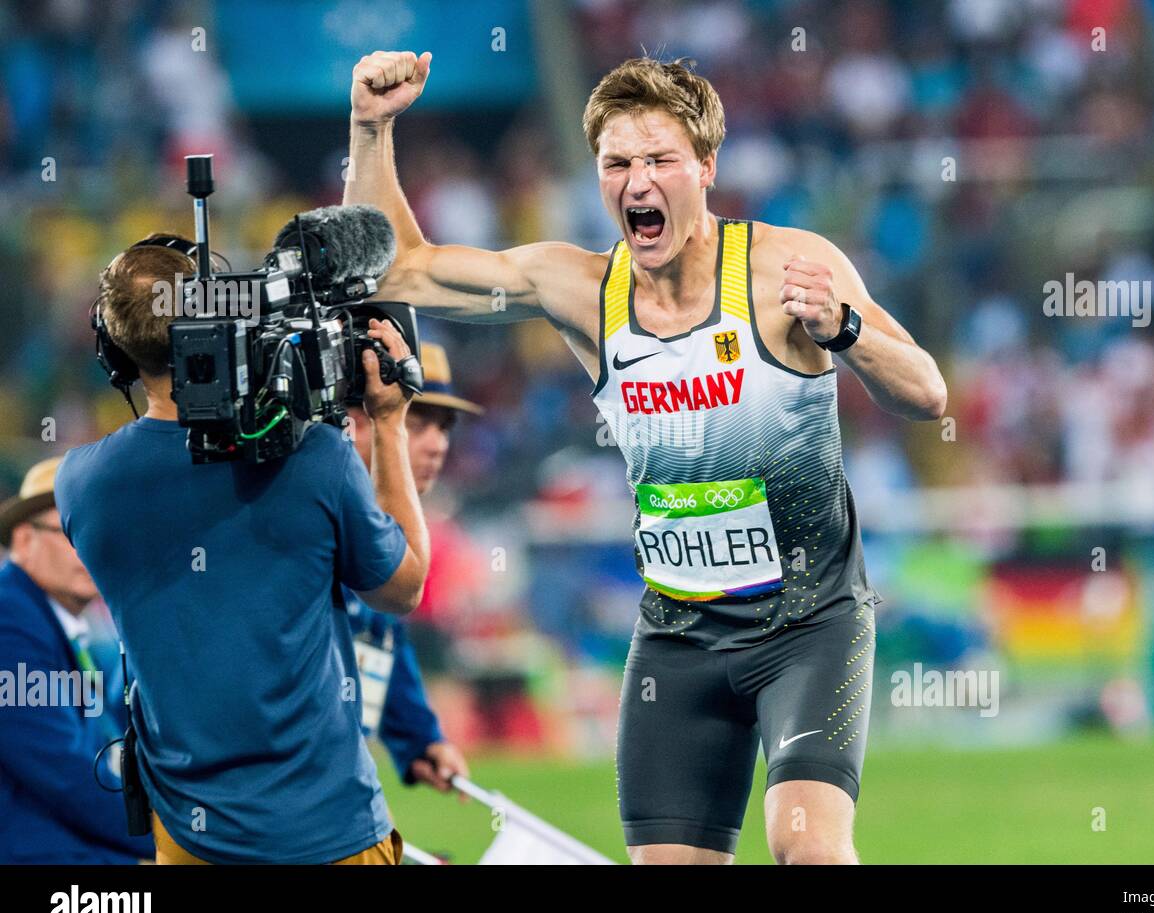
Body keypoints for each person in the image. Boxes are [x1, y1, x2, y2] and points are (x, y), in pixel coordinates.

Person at [345, 52, 947, 864]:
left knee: (806, 848)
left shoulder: (783, 269)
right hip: (680, 637)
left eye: (659, 159)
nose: (637, 181)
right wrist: (372, 127)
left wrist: (846, 329)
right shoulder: (582, 289)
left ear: (705, 167)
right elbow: (395, 269)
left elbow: (927, 393)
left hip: (810, 625)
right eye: (617, 163)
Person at [55, 235, 430, 864]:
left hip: (189, 839)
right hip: (330, 833)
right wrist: (388, 424)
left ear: (113, 351)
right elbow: (403, 588)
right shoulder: (315, 457)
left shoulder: (80, 484)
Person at [0, 456, 153, 863]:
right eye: (70, 534)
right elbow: (64, 773)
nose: (91, 551)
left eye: (100, 535)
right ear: (23, 540)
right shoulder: (8, 622)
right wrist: (167, 840)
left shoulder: (50, 620)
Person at [344, 341, 476, 794]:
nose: (438, 446)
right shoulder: (305, 522)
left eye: (446, 428)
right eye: (415, 424)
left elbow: (379, 638)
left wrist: (419, 738)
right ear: (349, 422)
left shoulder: (376, 531)